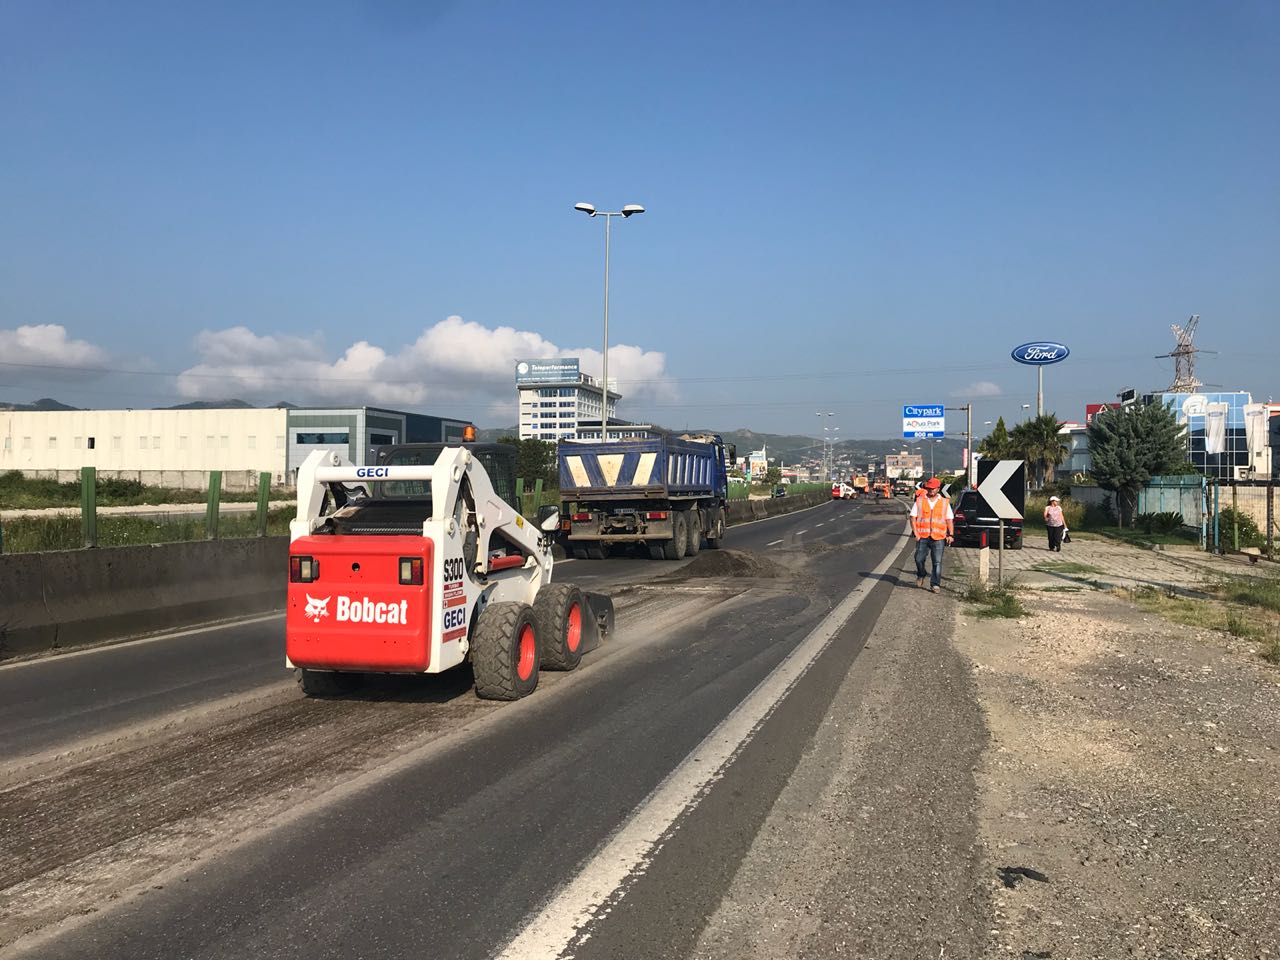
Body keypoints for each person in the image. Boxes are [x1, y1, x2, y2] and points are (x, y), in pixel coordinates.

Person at [910, 477, 954, 593]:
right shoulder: (920, 501)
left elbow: (949, 519)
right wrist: (915, 532)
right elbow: (912, 517)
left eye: (933, 488)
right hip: (923, 536)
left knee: (937, 562)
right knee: (918, 558)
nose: (930, 490)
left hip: (938, 537)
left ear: (938, 489)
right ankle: (921, 573)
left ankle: (935, 584)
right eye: (929, 488)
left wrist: (951, 534)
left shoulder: (944, 503)